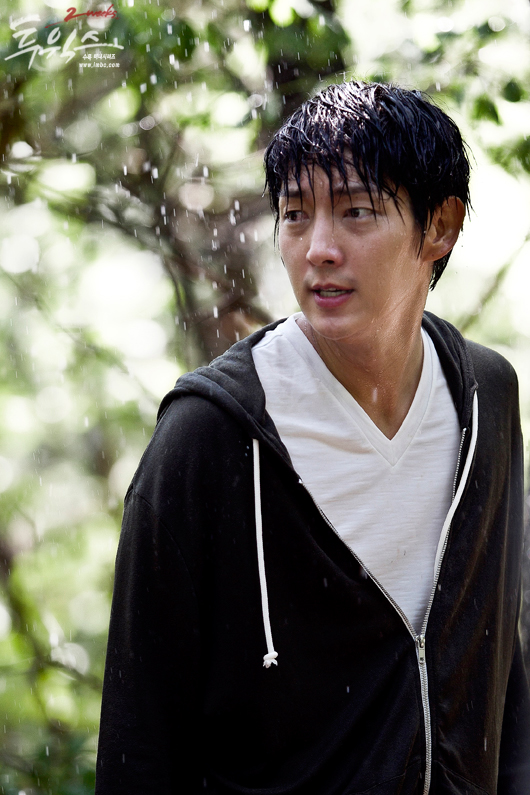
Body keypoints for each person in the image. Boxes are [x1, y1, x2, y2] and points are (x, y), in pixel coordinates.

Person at [95, 81, 529, 794]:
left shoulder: (486, 397)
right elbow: (139, 746)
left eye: (356, 212)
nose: (319, 249)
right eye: (295, 216)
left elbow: (503, 676)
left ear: (440, 227)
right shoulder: (207, 437)